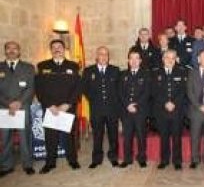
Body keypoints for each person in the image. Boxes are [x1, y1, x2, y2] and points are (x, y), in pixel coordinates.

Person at [35, 39, 81, 174]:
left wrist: (67, 104)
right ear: (51, 50)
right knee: (50, 136)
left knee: (69, 136)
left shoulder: (73, 66)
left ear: (64, 49)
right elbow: (39, 88)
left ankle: (72, 160)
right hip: (51, 109)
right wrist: (49, 105)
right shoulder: (43, 66)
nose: (57, 49)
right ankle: (50, 163)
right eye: (54, 47)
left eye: (59, 47)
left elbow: (78, 88)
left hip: (67, 107)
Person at [0, 41, 35, 177]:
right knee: (5, 137)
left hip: (23, 106)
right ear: (5, 51)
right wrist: (8, 103)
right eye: (9, 48)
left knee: (24, 136)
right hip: (4, 108)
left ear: (19, 51)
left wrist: (19, 102)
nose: (12, 50)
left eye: (15, 48)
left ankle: (27, 164)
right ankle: (6, 165)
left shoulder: (28, 67)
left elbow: (31, 88)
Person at [82, 46, 120, 169]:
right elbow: (85, 88)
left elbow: (119, 89)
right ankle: (96, 159)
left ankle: (113, 157)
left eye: (106, 54)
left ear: (108, 57)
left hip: (112, 109)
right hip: (96, 109)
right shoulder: (88, 71)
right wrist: (93, 99)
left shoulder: (115, 70)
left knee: (113, 135)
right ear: (96, 56)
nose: (103, 56)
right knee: (97, 135)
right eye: (101, 54)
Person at [152, 50, 187, 170]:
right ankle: (164, 160)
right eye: (167, 57)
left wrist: (174, 103)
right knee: (164, 136)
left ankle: (177, 160)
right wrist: (165, 102)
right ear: (163, 59)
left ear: (176, 59)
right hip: (161, 110)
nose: (170, 60)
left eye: (173, 58)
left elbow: (183, 91)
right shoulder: (156, 73)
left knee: (177, 136)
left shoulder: (182, 72)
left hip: (177, 110)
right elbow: (154, 92)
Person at [118, 50, 151, 168]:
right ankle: (127, 158)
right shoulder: (122, 75)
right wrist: (128, 105)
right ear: (128, 61)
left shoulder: (146, 74)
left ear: (140, 61)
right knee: (127, 136)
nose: (134, 61)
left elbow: (147, 93)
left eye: (136, 58)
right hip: (126, 111)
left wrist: (135, 105)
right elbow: (120, 92)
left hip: (140, 111)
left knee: (141, 135)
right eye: (131, 58)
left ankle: (141, 157)